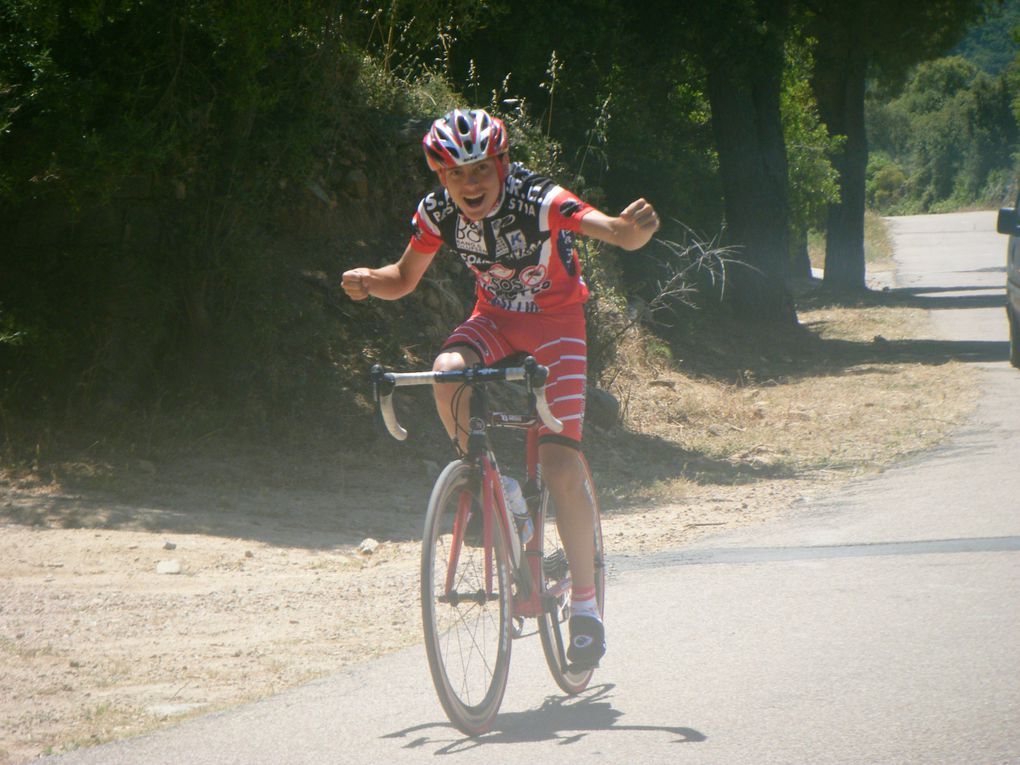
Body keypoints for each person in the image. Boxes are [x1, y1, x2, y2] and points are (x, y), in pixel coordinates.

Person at [342, 107, 658, 669]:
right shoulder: (436, 212)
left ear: (502, 165)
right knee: (446, 371)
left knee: (561, 468)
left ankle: (585, 609)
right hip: (494, 319)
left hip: (559, 324)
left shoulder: (537, 198)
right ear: (441, 175)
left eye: (482, 169)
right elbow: (404, 278)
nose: (471, 182)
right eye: (457, 172)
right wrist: (371, 281)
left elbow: (608, 228)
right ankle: (495, 485)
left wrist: (629, 234)